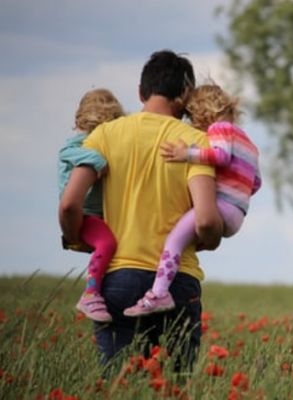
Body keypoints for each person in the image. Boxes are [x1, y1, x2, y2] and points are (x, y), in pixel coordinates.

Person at [59, 50, 223, 373]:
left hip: (118, 279)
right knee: (174, 389)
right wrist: (213, 237)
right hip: (177, 283)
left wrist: (75, 237)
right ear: (185, 97)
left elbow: (68, 204)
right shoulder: (195, 142)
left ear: (140, 92)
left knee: (119, 386)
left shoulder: (104, 135)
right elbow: (205, 220)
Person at [124, 82, 262, 317]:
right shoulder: (249, 143)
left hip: (221, 207)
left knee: (174, 240)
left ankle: (159, 294)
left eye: (192, 117)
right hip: (238, 213)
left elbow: (219, 156)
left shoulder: (220, 128)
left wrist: (185, 154)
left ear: (202, 112)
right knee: (186, 238)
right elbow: (256, 182)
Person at [58, 88, 124, 323]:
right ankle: (90, 293)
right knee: (107, 242)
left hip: (98, 213)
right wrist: (98, 161)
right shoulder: (78, 143)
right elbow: (67, 153)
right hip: (85, 214)